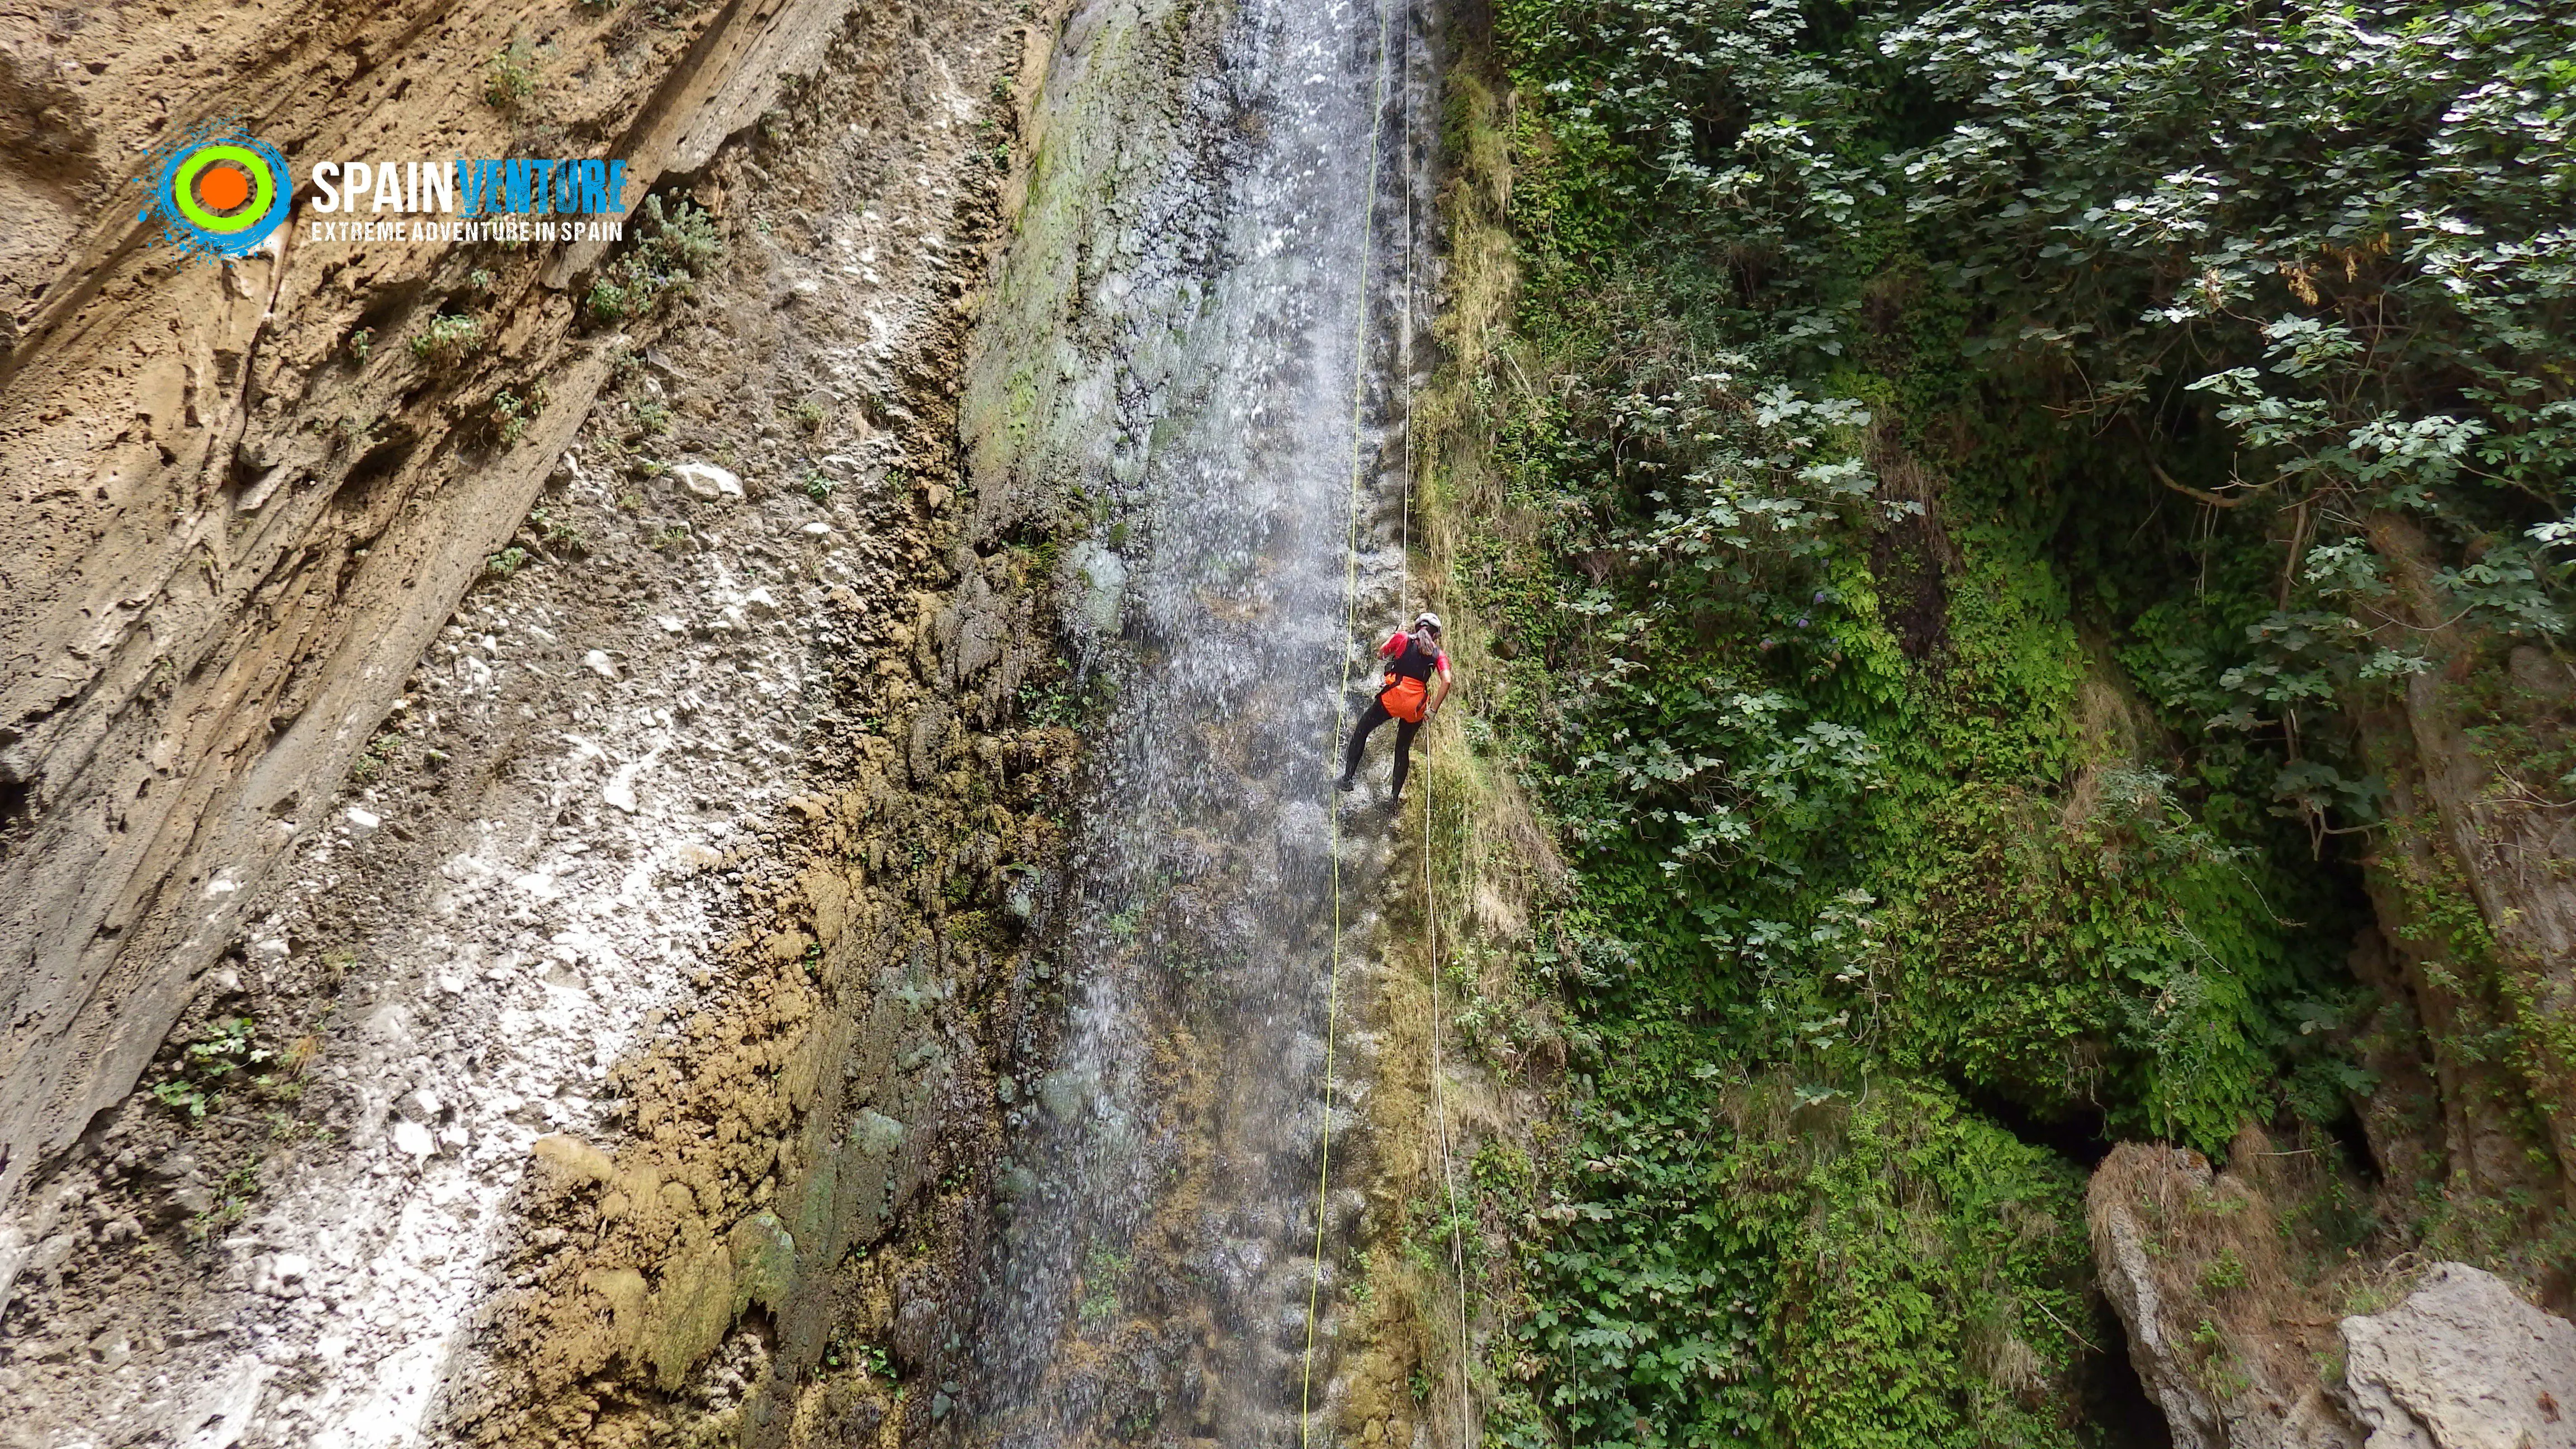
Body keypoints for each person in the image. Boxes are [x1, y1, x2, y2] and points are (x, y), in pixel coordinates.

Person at [1336, 612, 1451, 804]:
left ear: (1417, 628)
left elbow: (1381, 654)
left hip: (1392, 699)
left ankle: (1347, 779)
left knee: (1363, 730)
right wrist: (1432, 710)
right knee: (1402, 748)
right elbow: (1446, 681)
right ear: (1436, 635)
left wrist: (1395, 635)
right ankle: (1393, 799)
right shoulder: (1439, 655)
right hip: (1415, 707)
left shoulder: (1403, 638)